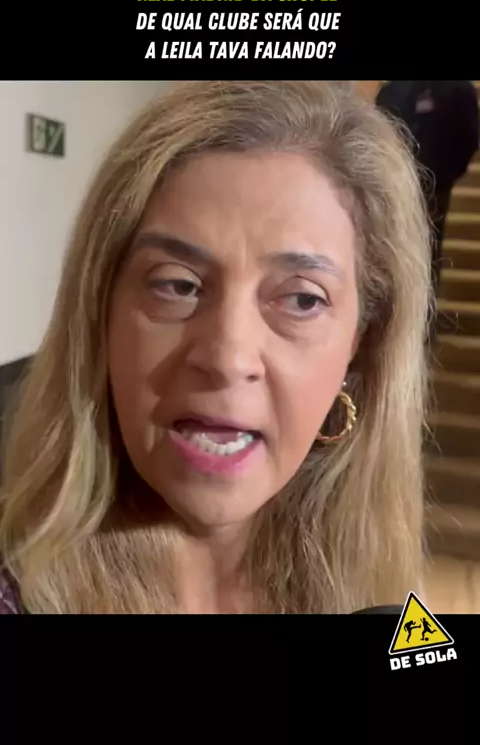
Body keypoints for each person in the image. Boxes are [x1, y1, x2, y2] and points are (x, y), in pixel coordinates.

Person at [0, 81, 432, 615]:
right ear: (100, 314)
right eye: (177, 285)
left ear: (359, 346)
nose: (228, 357)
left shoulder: (384, 597)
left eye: (301, 298)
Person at [375, 81, 479, 292]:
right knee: (390, 251)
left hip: (436, 188)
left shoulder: (459, 91)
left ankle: (423, 306)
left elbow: (468, 140)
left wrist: (444, 178)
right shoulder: (391, 91)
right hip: (392, 188)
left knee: (428, 252)